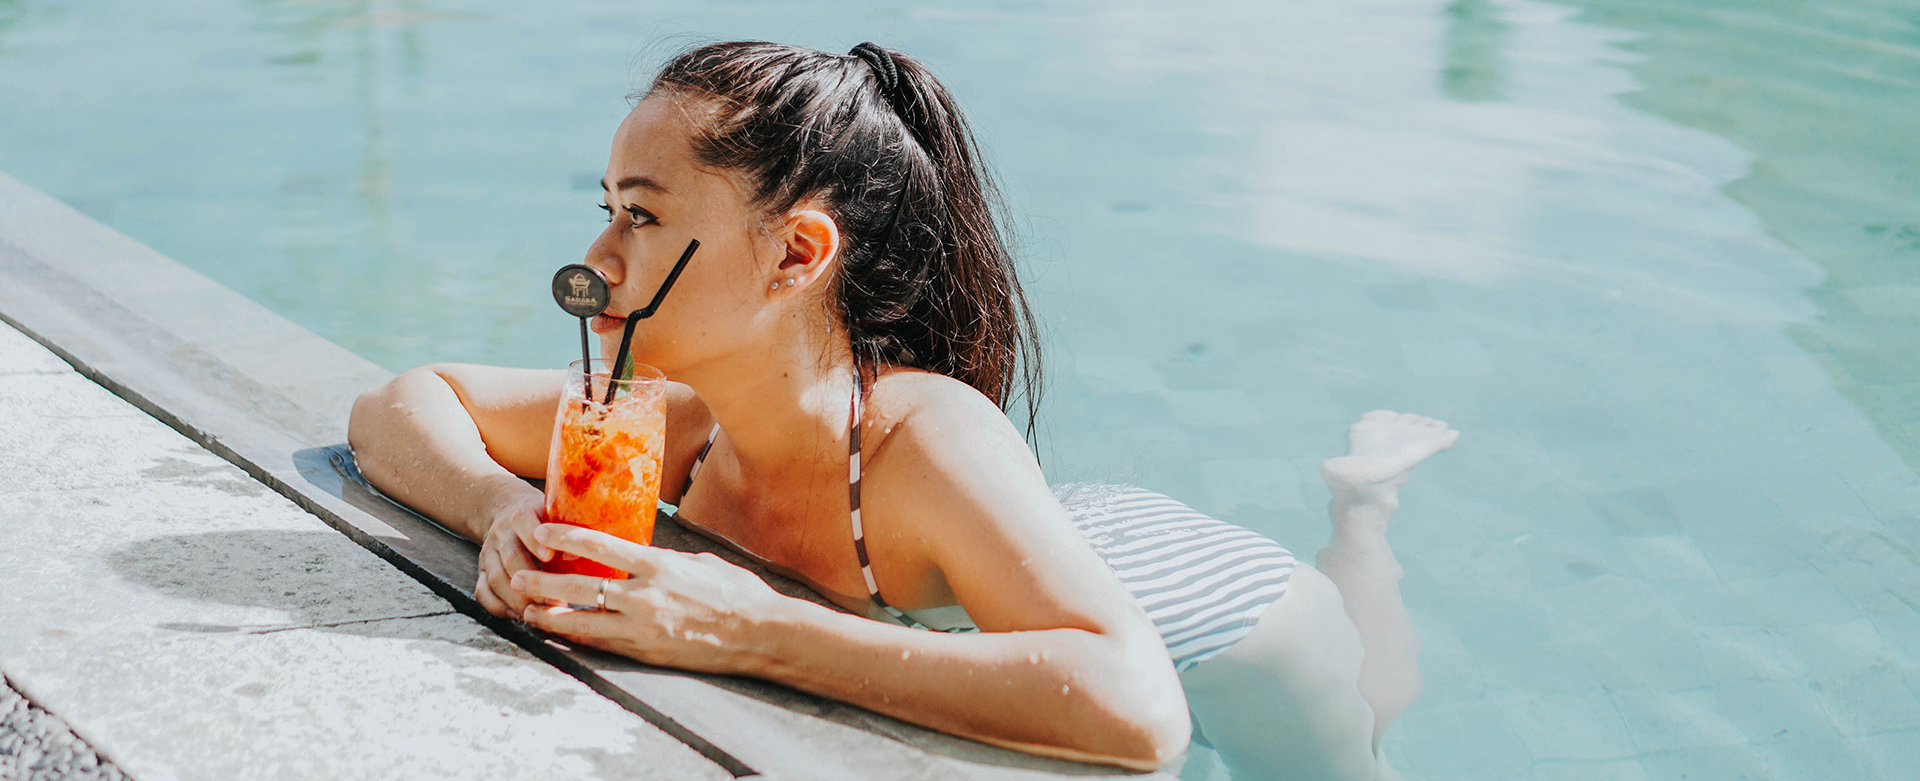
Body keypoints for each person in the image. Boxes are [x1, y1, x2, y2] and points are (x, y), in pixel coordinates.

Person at [348, 41, 1457, 778]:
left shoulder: (924, 435)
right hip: (1031, 542)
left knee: (1373, 710)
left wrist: (750, 632)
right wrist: (500, 505)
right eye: (605, 210)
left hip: (1220, 616)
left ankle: (1363, 516)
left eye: (640, 218)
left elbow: (1139, 709)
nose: (593, 258)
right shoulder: (667, 428)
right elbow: (405, 404)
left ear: (794, 253)